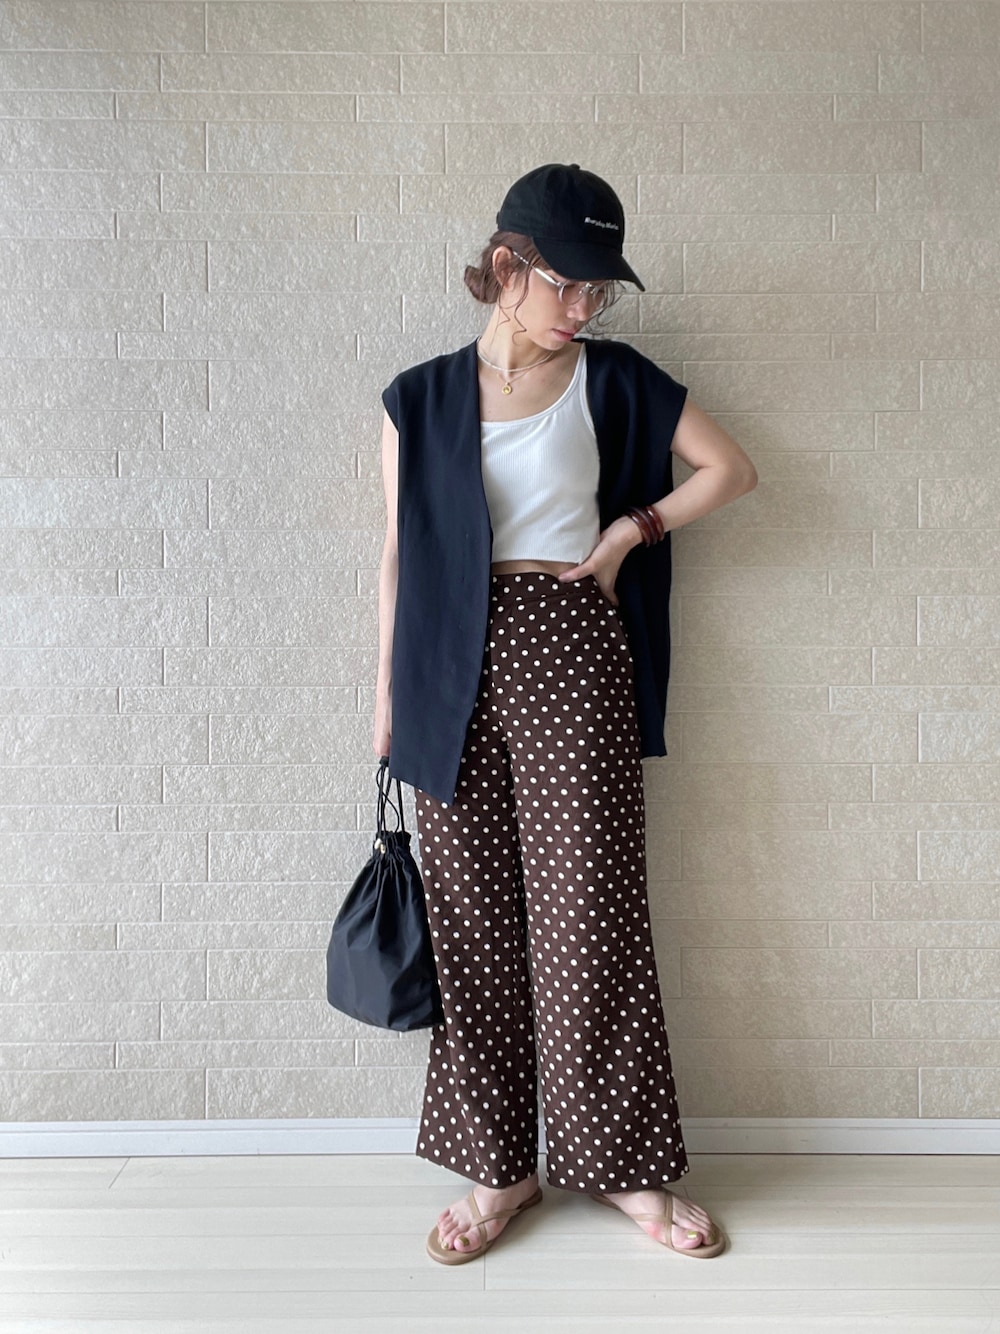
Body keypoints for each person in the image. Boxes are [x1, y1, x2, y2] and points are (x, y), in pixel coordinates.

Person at [373, 163, 757, 1265]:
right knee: (472, 923)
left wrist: (632, 530)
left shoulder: (614, 377)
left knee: (591, 910)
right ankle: (502, 1168)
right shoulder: (417, 398)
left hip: (570, 643)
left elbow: (729, 470)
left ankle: (623, 1164)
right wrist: (386, 700)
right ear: (508, 265)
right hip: (444, 667)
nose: (584, 306)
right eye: (569, 283)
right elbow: (398, 555)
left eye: (599, 289)